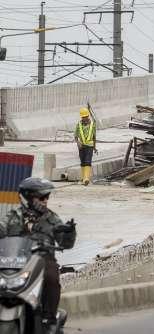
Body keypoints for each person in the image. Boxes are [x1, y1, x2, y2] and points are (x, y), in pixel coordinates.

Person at [0, 178, 76, 334]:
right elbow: (1, 229)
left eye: (47, 197)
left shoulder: (52, 219)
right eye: (41, 197)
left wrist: (68, 233)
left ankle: (49, 319)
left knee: (51, 276)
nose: (45, 201)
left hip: (42, 259)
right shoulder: (13, 216)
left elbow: (66, 243)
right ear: (28, 197)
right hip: (16, 260)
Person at [74, 107, 97, 186]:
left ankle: (86, 178)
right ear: (81, 117)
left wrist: (94, 147)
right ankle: (83, 178)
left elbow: (94, 137)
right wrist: (78, 143)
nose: (85, 118)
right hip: (81, 146)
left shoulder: (92, 125)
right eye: (83, 117)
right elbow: (75, 136)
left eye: (86, 116)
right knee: (82, 162)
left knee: (88, 161)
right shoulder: (79, 125)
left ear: (88, 116)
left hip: (89, 146)